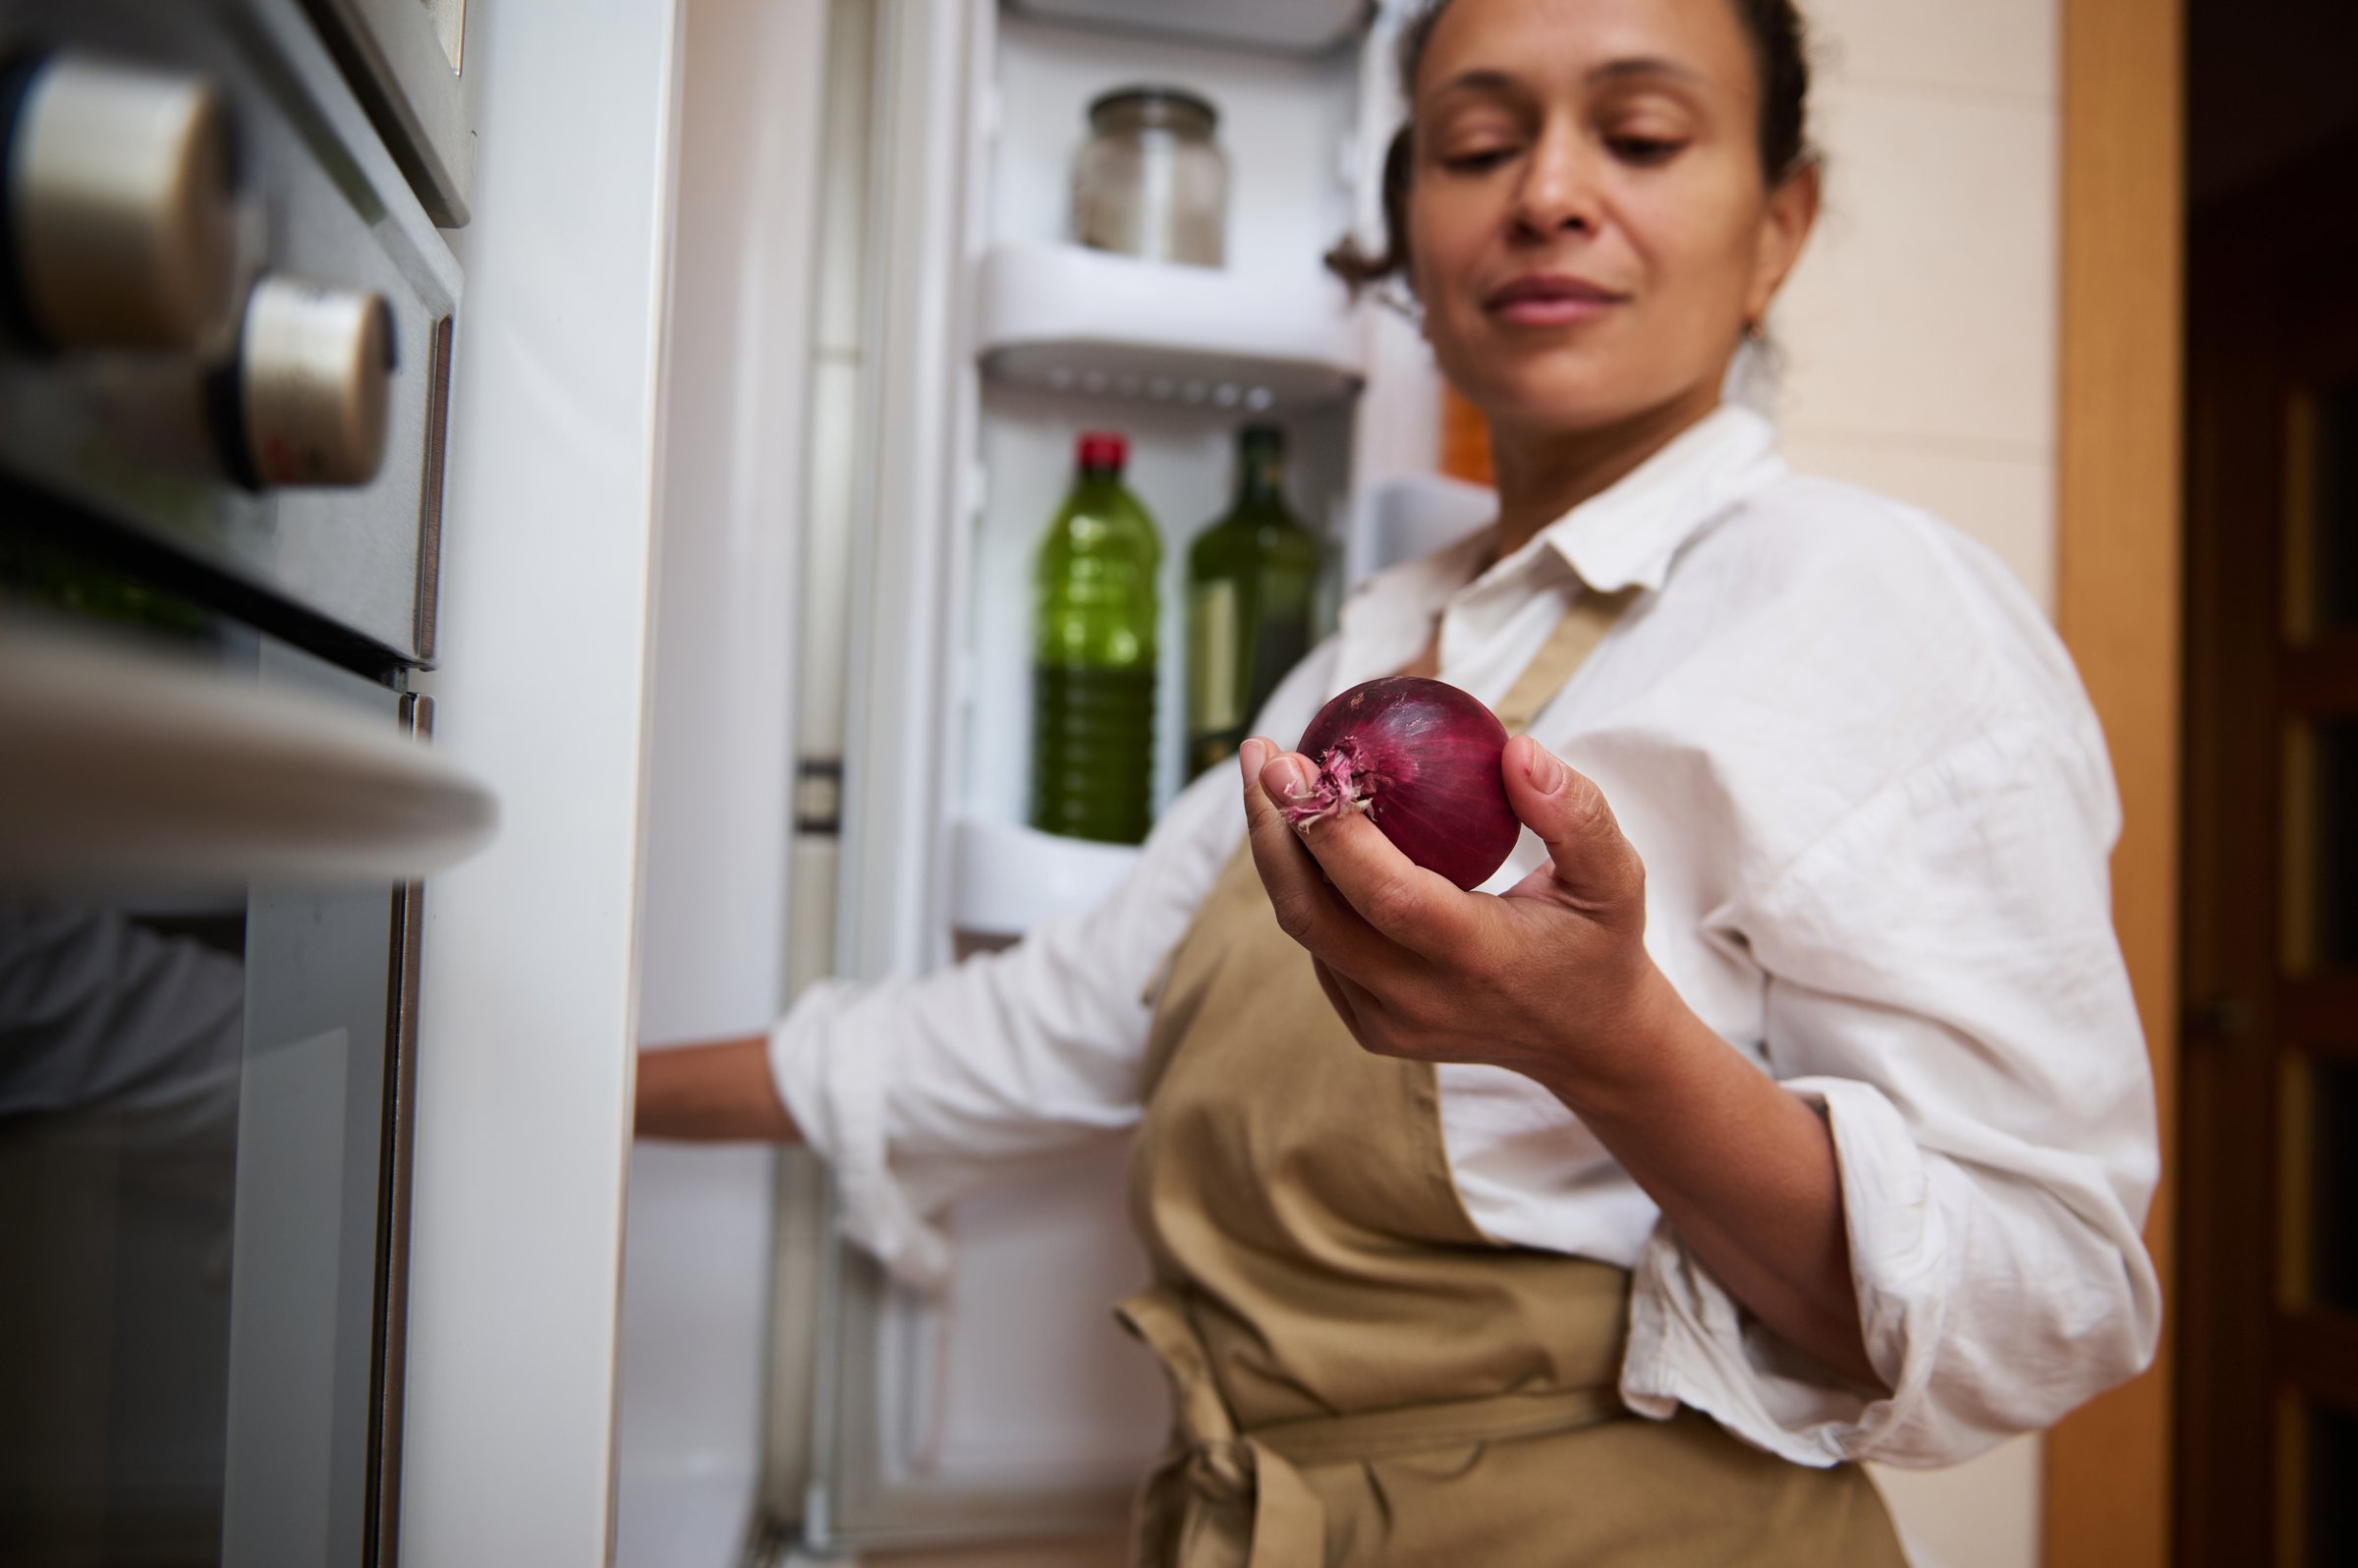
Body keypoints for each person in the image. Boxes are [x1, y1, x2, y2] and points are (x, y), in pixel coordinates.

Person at [638, 0, 2162, 1560]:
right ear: (1409, 234)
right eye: (1476, 146)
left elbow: (2051, 1299)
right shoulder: (1373, 645)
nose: (1547, 193)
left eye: (1639, 136)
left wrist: (1616, 1047)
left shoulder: (1871, 607)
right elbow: (1054, 1022)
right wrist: (598, 1096)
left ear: (1781, 224)